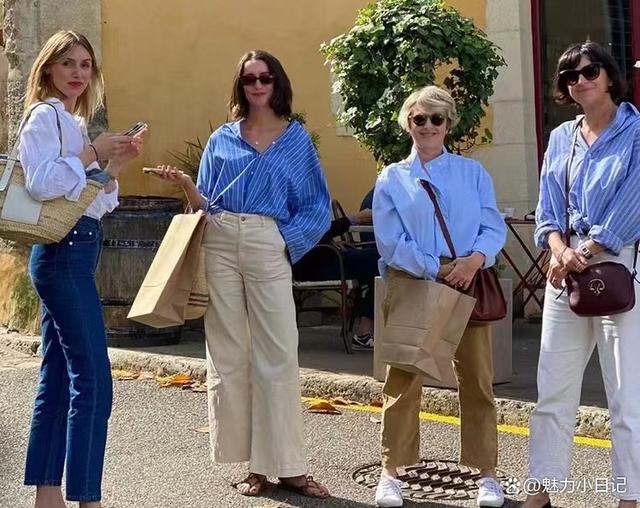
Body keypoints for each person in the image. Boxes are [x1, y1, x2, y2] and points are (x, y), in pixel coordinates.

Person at [153, 50, 331, 499]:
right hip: (220, 239)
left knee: (279, 353)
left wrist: (284, 240)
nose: (257, 86)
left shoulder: (296, 141)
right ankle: (252, 465)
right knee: (228, 353)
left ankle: (289, 466)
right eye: (249, 79)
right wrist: (187, 186)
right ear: (241, 86)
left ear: (277, 83)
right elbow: (205, 203)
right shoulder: (222, 139)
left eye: (265, 78)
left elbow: (316, 206)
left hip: (268, 240)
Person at [20, 31, 144, 508]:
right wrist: (93, 153)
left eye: (86, 65)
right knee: (93, 380)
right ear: (48, 68)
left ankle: (47, 497)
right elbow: (41, 183)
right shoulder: (45, 116)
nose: (77, 73)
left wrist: (112, 166)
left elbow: (93, 201)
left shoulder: (71, 122)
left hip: (73, 253)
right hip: (62, 257)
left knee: (57, 379)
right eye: (68, 63)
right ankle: (88, 499)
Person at [372, 85, 507, 508]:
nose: (428, 126)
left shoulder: (473, 173)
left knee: (477, 380)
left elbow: (493, 226)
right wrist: (438, 268)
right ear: (408, 124)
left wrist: (474, 261)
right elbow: (389, 241)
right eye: (419, 118)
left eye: (436, 119)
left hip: (468, 278)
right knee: (403, 381)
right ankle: (391, 471)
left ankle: (486, 473)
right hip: (416, 279)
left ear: (449, 124)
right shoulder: (392, 177)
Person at [525, 41, 640, 508]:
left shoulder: (636, 132)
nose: (580, 81)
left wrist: (585, 250)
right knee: (552, 388)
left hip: (618, 264)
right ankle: (542, 488)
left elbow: (634, 202)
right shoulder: (561, 138)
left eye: (590, 71)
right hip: (565, 270)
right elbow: (547, 208)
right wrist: (558, 249)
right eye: (570, 76)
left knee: (626, 392)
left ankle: (629, 495)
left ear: (609, 76)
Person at [292, 209, 379, 349]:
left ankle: (367, 329)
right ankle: (365, 330)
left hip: (324, 258)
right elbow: (313, 232)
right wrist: (352, 219)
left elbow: (316, 232)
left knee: (378, 260)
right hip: (316, 266)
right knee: (380, 261)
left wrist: (332, 242)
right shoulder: (299, 205)